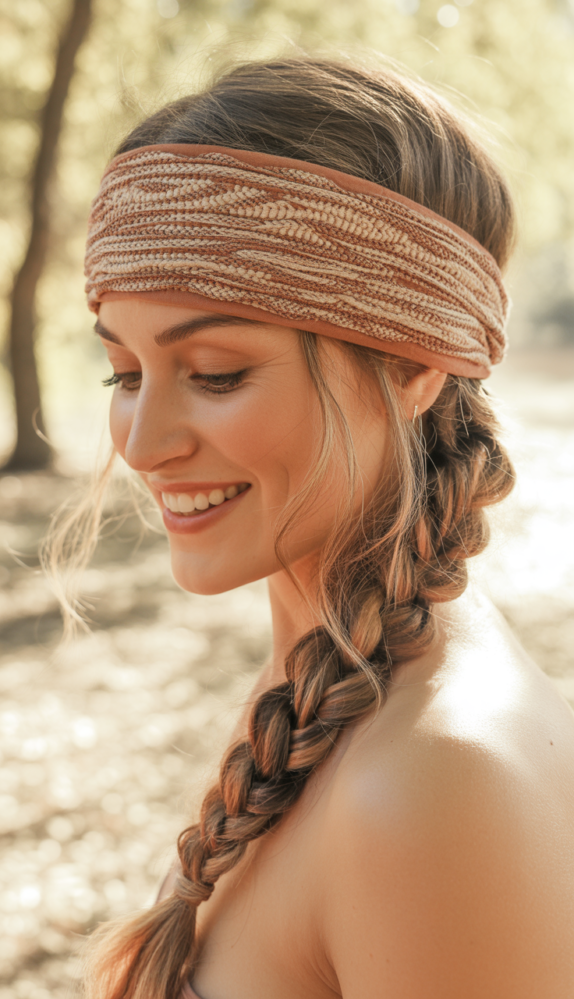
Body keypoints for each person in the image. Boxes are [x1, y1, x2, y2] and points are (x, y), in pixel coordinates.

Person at [75, 58, 574, 999]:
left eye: (217, 372)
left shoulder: (436, 787)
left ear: (415, 366)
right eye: (125, 373)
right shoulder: (326, 678)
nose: (142, 445)